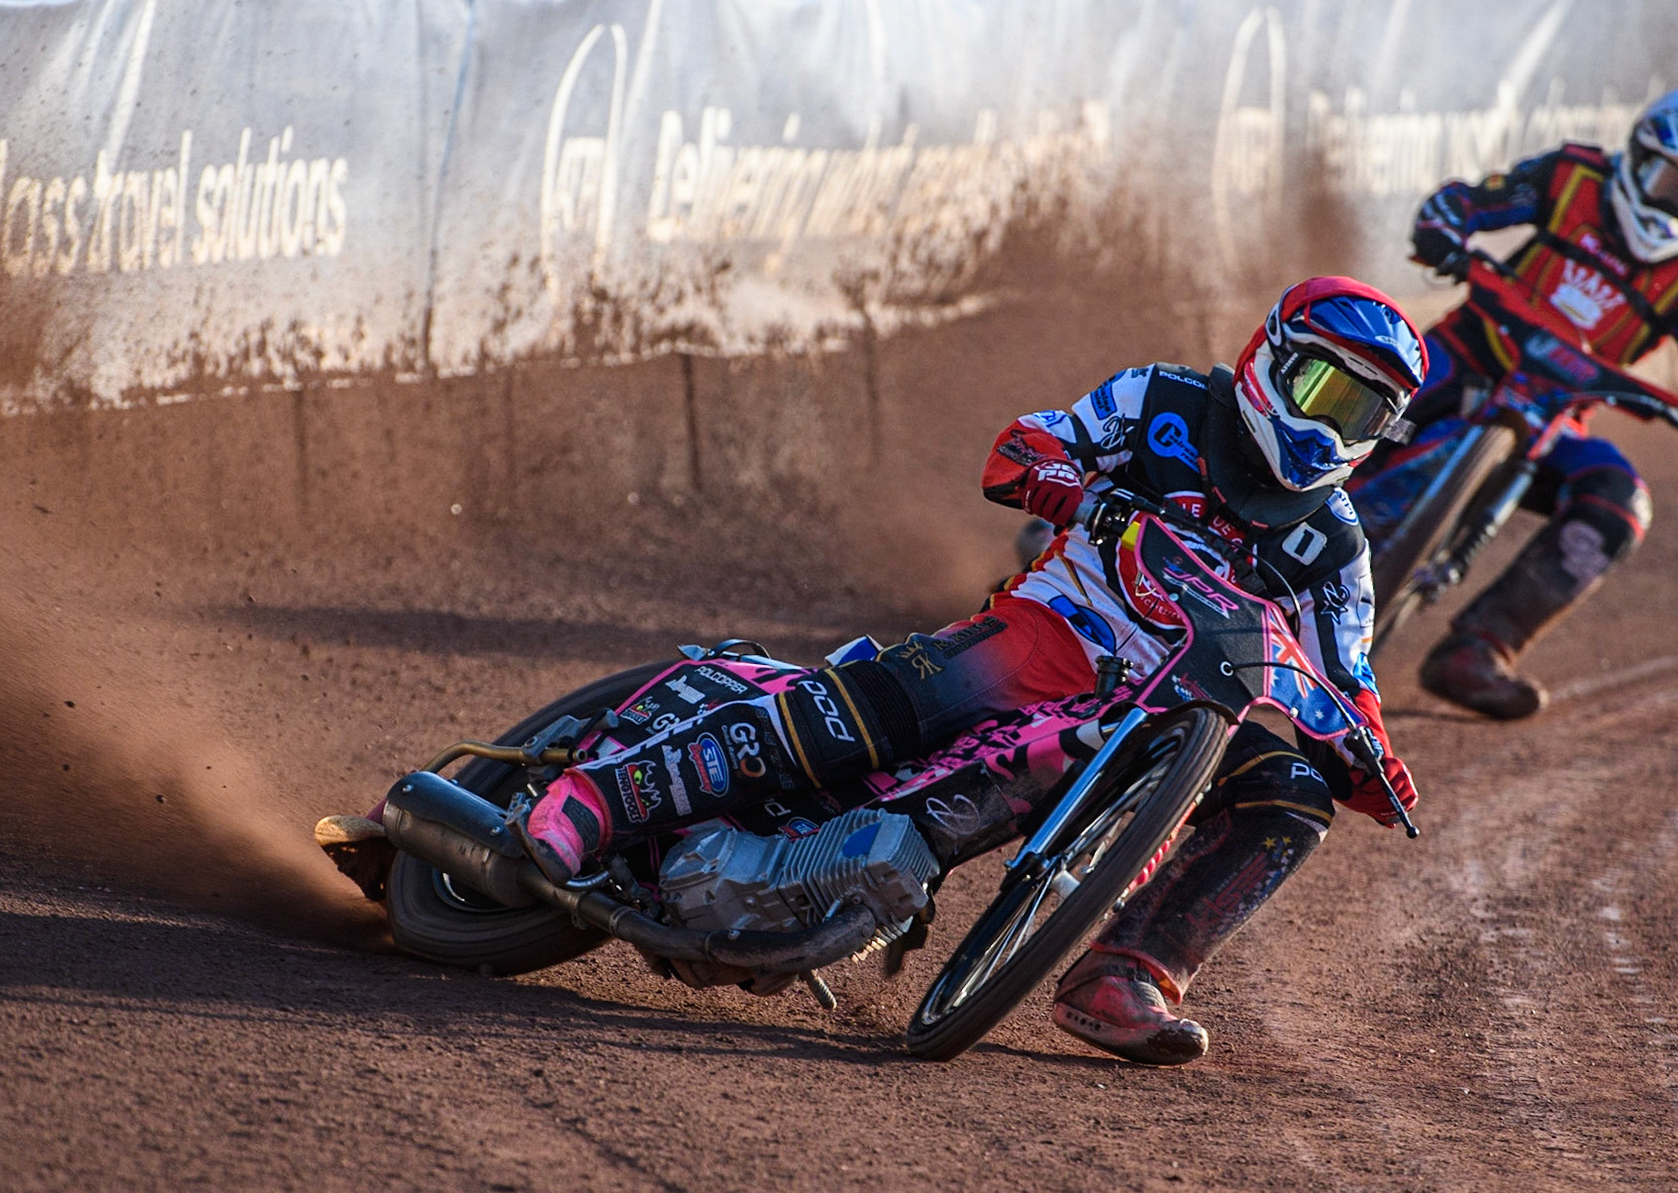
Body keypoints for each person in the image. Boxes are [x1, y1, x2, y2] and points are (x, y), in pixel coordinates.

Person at [520, 277, 1425, 1065]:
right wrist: (1096, 504)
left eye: (1362, 414)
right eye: (1322, 388)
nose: (1328, 426)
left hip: (1177, 717)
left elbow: (1349, 679)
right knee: (885, 707)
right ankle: (606, 795)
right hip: (1055, 633)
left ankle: (1128, 972)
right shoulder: (1167, 402)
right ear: (1273, 358)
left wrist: (1374, 760)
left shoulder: (1336, 544)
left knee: (1294, 793)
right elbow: (1021, 449)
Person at [1395, 83, 1678, 720]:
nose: (1673, 205)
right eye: (1666, 179)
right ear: (1636, 154)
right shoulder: (1572, 178)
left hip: (1552, 416)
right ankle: (1241, 525)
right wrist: (1444, 231)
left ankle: (1478, 649)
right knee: (1359, 405)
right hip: (1466, 355)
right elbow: (1465, 203)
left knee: (1618, 502)